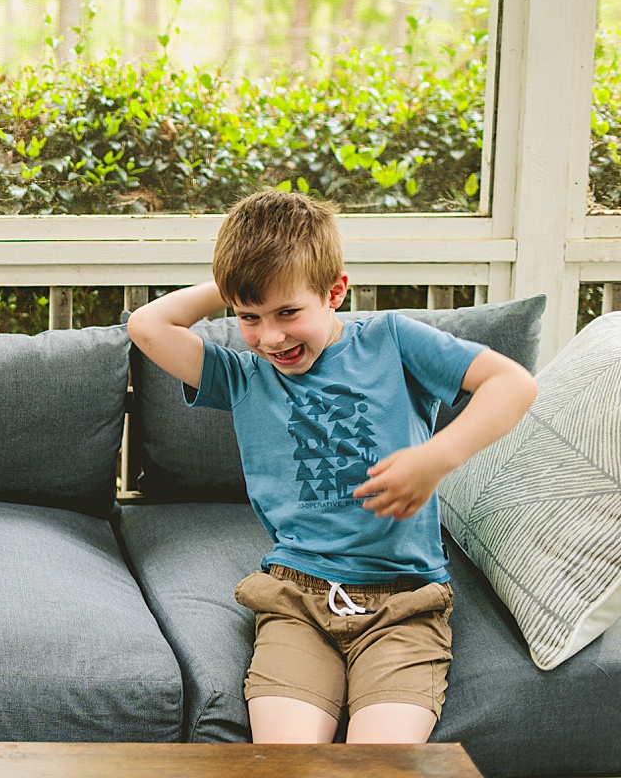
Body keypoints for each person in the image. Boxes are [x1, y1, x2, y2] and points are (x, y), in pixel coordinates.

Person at [127, 191, 536, 744]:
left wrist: (436, 458)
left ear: (335, 291)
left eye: (288, 312)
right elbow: (148, 326)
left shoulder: (392, 341)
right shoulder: (245, 376)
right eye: (249, 317)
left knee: (377, 761)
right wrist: (239, 285)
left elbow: (514, 383)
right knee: (289, 760)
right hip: (296, 598)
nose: (270, 337)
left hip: (405, 603)